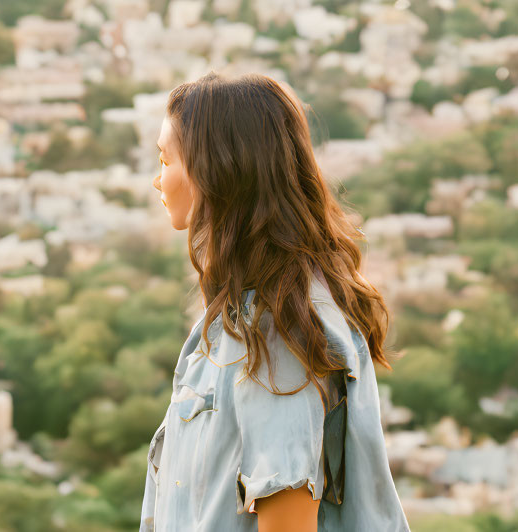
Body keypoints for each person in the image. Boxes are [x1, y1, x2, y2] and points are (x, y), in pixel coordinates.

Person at [141, 73, 409, 532]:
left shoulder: (280, 329)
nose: (156, 179)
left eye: (166, 160)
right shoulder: (246, 315)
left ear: (216, 170)